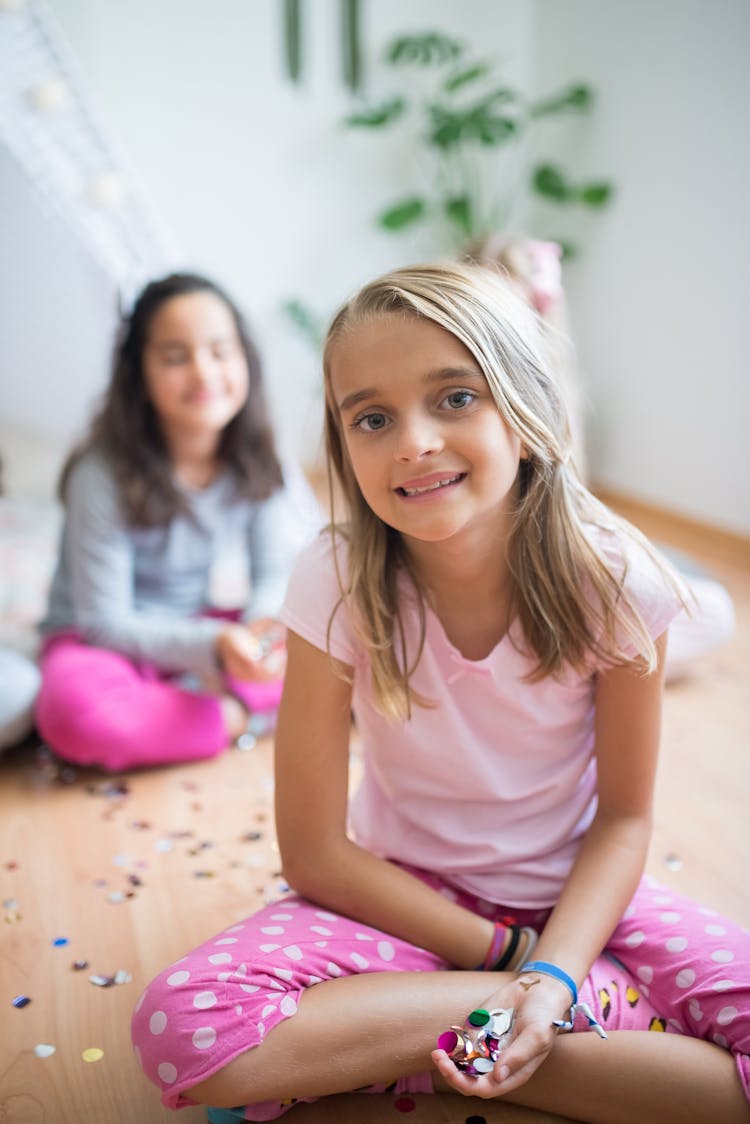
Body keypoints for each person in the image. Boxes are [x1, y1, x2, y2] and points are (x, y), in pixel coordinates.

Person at [131, 264, 749, 1123]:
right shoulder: (334, 575)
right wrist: (510, 961)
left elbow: (623, 822)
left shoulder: (618, 580)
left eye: (455, 398)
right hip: (404, 900)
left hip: (578, 906)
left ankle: (483, 1034)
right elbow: (313, 853)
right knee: (188, 1031)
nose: (413, 441)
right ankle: (560, 1026)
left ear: (527, 415)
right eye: (373, 418)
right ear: (344, 445)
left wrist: (556, 971)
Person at [36, 272, 320, 772]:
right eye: (175, 356)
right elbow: (105, 624)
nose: (204, 372)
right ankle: (242, 717)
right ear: (139, 375)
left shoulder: (258, 456)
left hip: (195, 627)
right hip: (99, 644)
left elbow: (272, 571)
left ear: (245, 360)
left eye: (219, 351)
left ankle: (187, 708)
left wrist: (258, 630)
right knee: (75, 715)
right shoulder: (99, 473)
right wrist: (215, 652)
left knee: (330, 644)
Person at [466, 232, 736, 682]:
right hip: (499, 584)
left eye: (523, 314)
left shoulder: (554, 388)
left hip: (553, 565)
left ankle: (564, 669)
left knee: (706, 610)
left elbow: (569, 508)